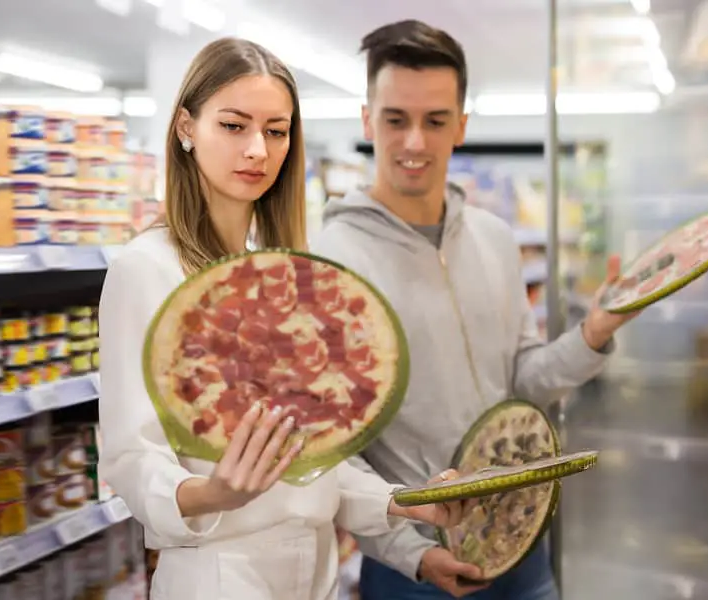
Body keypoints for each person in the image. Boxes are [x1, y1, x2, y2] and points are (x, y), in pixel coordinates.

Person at [98, 37, 471, 600]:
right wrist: (214, 492)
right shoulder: (146, 268)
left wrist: (406, 502)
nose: (257, 149)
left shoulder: (278, 274)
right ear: (184, 128)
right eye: (233, 126)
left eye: (276, 131)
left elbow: (309, 461)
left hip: (314, 567)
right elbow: (131, 457)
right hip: (220, 573)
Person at [309, 20, 640, 600]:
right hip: (416, 566)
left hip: (523, 547)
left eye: (435, 120)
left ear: (460, 125)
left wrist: (594, 331)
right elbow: (332, 447)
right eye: (395, 119)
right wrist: (413, 553)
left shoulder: (494, 237)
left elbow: (522, 381)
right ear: (367, 121)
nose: (415, 141)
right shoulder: (329, 260)